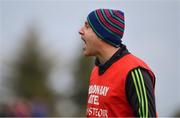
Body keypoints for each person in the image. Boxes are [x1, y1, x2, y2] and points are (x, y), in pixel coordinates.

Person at [79, 9, 157, 117]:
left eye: (87, 26)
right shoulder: (96, 70)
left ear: (102, 33)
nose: (80, 30)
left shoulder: (134, 71)